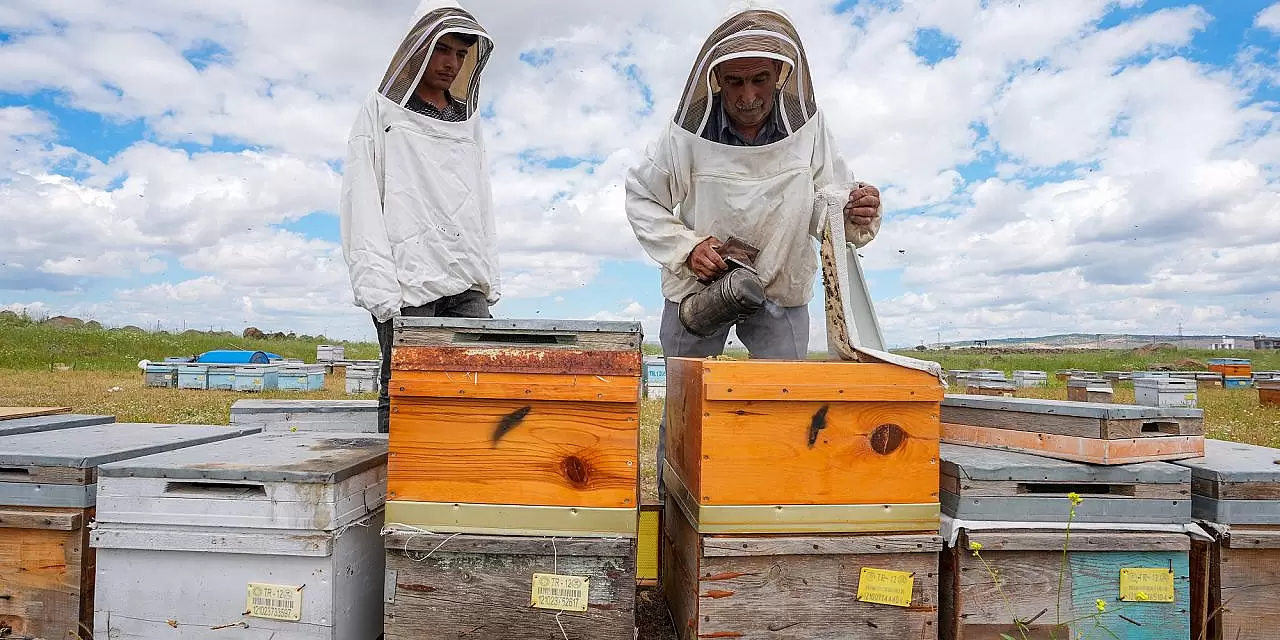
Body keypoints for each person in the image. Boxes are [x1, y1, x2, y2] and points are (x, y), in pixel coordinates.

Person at [623, 6, 884, 495]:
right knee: (681, 414)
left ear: (781, 75)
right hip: (697, 288)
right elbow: (642, 196)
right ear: (716, 79)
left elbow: (827, 205)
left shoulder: (811, 130)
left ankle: (771, 508)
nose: (748, 97)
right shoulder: (684, 136)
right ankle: (671, 518)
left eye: (760, 80)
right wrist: (687, 247)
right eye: (735, 82)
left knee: (786, 410)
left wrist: (855, 215)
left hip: (780, 284)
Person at [340, 0, 499, 433]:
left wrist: (489, 277)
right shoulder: (379, 112)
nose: (451, 63)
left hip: (464, 278)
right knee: (407, 400)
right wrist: (380, 291)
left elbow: (480, 198)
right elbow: (361, 200)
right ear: (418, 48)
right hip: (406, 285)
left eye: (461, 54)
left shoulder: (468, 122)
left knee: (480, 391)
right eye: (442, 50)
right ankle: (401, 496)